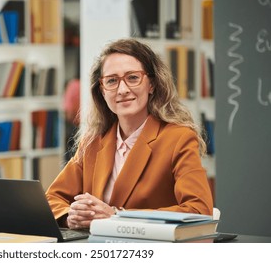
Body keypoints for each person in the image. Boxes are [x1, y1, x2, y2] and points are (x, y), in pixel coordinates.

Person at [46, 38, 213, 229]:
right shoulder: (93, 142)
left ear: (151, 84)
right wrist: (72, 217)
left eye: (133, 78)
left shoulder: (179, 138)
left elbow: (199, 210)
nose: (123, 90)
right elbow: (52, 198)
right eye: (112, 81)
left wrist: (117, 216)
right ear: (102, 91)